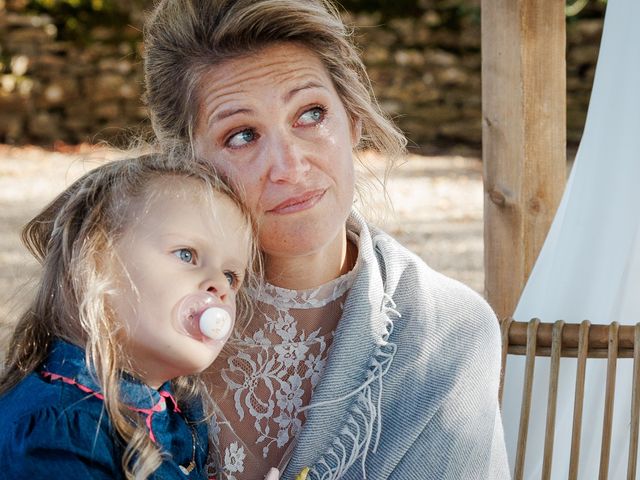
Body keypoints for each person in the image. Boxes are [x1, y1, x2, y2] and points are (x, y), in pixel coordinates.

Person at [143, 1, 510, 479]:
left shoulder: (446, 332)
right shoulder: (131, 310)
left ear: (352, 118)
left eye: (311, 114)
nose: (290, 166)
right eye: (241, 135)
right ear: (186, 164)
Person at [0, 152, 267, 479]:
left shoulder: (179, 413)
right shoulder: (57, 431)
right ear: (96, 262)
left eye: (231, 276)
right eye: (187, 254)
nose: (219, 287)